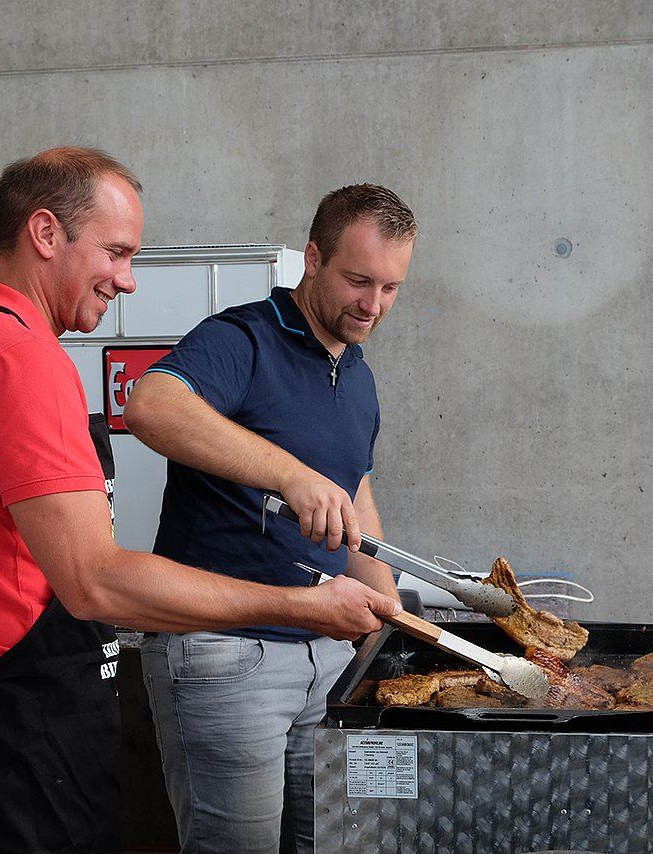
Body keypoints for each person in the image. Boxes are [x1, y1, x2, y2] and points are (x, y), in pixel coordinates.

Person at [0, 148, 400, 854]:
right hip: (6, 723)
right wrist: (299, 604)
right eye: (117, 253)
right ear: (44, 233)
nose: (128, 280)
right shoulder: (20, 363)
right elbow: (94, 580)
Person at [122, 183, 417, 853]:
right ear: (313, 258)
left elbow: (354, 494)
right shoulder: (241, 337)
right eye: (358, 280)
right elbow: (151, 407)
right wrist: (289, 473)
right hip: (228, 655)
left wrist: (389, 623)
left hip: (328, 653)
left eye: (391, 288)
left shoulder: (359, 373)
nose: (372, 304)